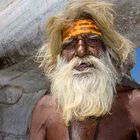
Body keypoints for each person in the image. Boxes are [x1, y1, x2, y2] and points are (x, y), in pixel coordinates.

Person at [29, 0, 140, 139]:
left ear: (107, 49)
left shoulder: (135, 104)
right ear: (61, 55)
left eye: (92, 40)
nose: (81, 51)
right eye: (70, 44)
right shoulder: (45, 109)